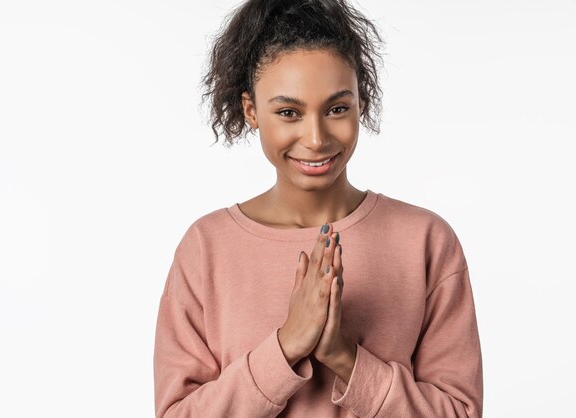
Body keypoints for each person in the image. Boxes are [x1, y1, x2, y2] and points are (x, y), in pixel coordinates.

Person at [153, 0, 483, 416]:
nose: (315, 137)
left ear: (361, 103)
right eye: (289, 112)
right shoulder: (206, 247)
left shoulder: (425, 240)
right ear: (251, 110)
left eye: (337, 109)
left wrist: (344, 356)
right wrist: (287, 345)